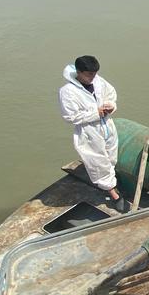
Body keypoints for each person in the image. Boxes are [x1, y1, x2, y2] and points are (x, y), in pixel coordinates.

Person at [59, 55, 126, 211]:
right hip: (89, 130)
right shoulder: (67, 92)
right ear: (79, 72)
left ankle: (111, 179)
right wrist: (96, 113)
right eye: (89, 74)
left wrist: (110, 106)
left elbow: (111, 95)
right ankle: (113, 193)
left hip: (107, 125)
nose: (92, 77)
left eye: (94, 74)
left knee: (111, 154)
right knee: (97, 160)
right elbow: (70, 116)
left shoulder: (97, 81)